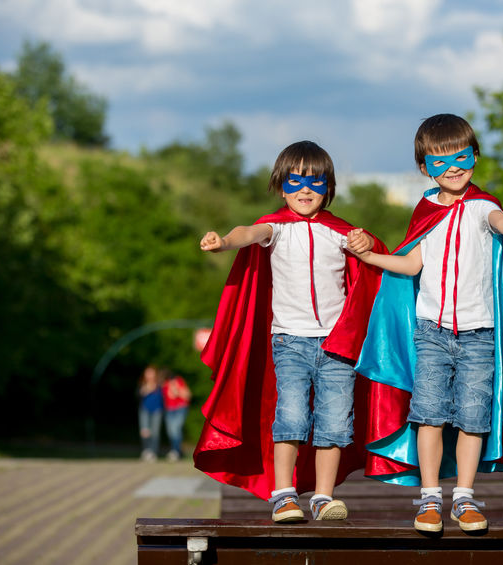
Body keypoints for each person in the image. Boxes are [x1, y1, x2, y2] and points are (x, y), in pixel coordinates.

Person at [347, 114, 503, 533]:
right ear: (424, 166)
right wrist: (371, 257)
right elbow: (412, 263)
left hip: (479, 335)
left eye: (460, 157)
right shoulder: (426, 210)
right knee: (428, 414)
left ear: (476, 156)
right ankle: (430, 498)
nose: (452, 168)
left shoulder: (485, 207)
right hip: (431, 331)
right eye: (439, 161)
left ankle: (463, 498)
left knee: (472, 416)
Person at [194, 141, 388, 523]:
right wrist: (224, 243)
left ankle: (323, 496)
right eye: (295, 181)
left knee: (335, 421)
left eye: (315, 182)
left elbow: (373, 262)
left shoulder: (341, 233)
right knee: (292, 416)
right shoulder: (276, 229)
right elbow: (247, 232)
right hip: (290, 342)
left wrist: (366, 244)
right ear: (282, 186)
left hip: (338, 344)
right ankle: (283, 495)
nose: (305, 189)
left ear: (328, 188)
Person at [160, 369, 191, 461]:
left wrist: (175, 389)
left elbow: (187, 395)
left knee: (175, 429)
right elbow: (169, 396)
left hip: (180, 408)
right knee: (171, 431)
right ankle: (178, 451)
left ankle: (175, 451)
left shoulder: (178, 380)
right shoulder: (164, 384)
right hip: (169, 409)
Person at [138, 365, 164, 462]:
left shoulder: (160, 384)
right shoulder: (142, 384)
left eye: (151, 372)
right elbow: (138, 395)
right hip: (144, 410)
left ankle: (153, 452)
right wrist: (144, 390)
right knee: (144, 431)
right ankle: (146, 450)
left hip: (157, 410)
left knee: (155, 432)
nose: (149, 375)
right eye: (147, 373)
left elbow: (164, 397)